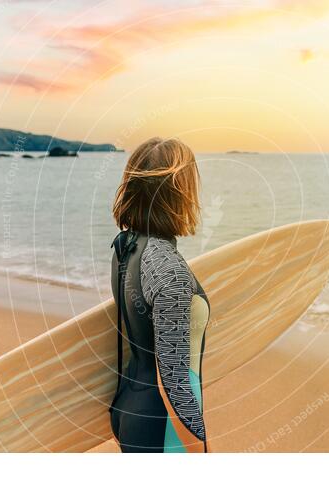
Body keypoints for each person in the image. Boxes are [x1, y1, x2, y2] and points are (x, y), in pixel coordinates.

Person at [109, 137, 209, 453]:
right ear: (179, 192)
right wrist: (199, 448)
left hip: (129, 408)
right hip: (165, 428)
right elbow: (174, 383)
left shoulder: (125, 246)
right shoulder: (171, 272)